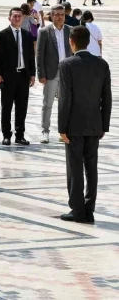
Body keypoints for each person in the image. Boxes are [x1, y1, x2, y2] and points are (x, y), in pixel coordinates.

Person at [57, 26, 111, 223]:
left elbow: (65, 99)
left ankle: (77, 210)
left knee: (75, 167)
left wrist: (61, 127)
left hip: (73, 125)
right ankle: (89, 209)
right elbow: (107, 98)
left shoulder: (67, 65)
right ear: (88, 42)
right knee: (91, 167)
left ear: (71, 42)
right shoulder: (102, 65)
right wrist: (104, 125)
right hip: (94, 125)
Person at [0, 8, 36, 146]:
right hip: (8, 76)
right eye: (15, 16)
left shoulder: (27, 35)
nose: (17, 18)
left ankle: (20, 135)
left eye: (19, 16)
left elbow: (31, 56)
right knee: (6, 107)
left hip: (23, 75)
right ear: (9, 18)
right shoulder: (2, 35)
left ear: (22, 18)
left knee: (22, 107)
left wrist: (32, 74)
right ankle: (6, 135)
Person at [36, 4, 73, 144]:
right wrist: (41, 73)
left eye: (62, 14)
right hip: (51, 72)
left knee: (65, 104)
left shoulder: (70, 30)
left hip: (67, 73)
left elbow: (74, 52)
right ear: (51, 16)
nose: (59, 17)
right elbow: (39, 54)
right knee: (48, 103)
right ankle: (45, 131)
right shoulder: (44, 31)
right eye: (56, 14)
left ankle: (63, 132)